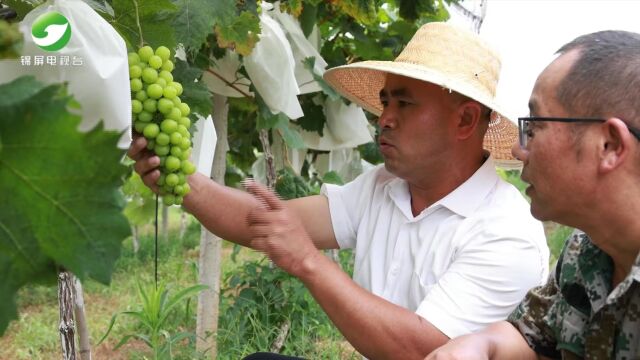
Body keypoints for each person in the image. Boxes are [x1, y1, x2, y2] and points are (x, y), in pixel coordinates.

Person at [129, 22, 549, 359]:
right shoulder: (383, 187)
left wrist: (309, 261)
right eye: (385, 103)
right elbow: (262, 223)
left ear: (464, 121)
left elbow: (423, 350)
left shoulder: (506, 231)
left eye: (404, 104)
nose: (384, 118)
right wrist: (184, 182)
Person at [426, 30, 640, 360]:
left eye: (535, 126)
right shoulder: (583, 254)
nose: (518, 148)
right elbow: (535, 336)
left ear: (609, 145)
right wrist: (482, 345)